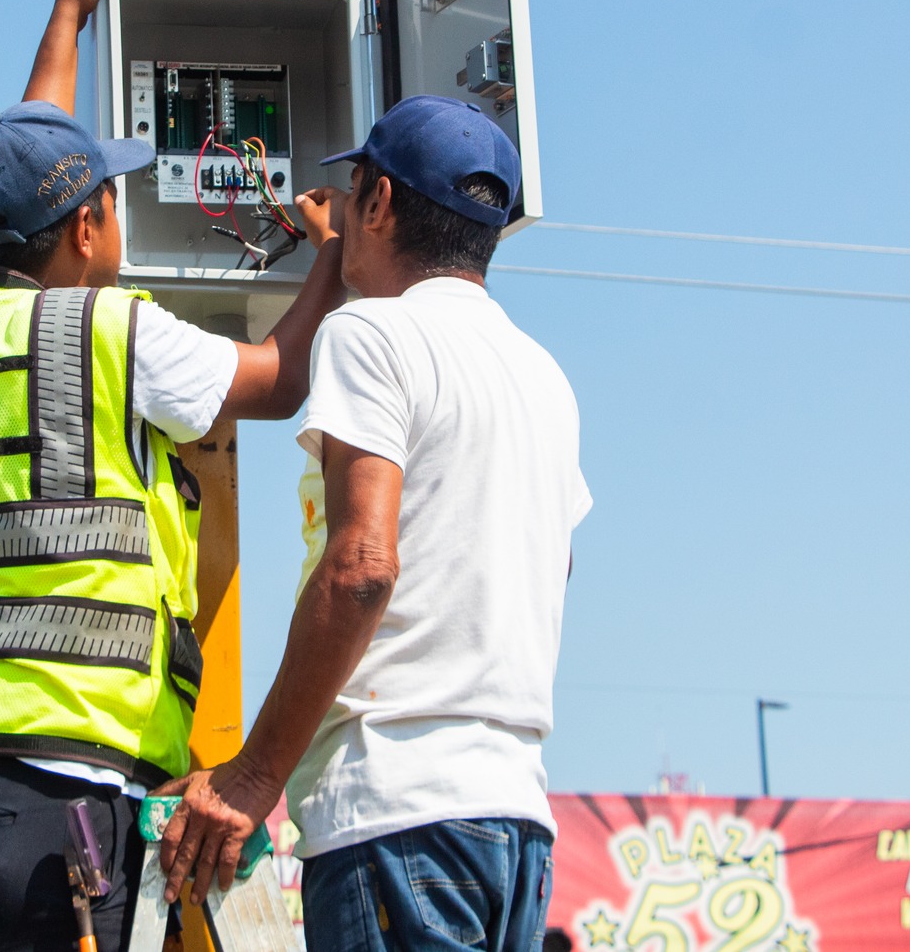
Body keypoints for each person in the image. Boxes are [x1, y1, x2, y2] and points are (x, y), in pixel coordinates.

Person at [0, 0, 349, 952]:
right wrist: (329, 255)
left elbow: (18, 168)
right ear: (87, 231)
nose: (113, 204)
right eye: (103, 193)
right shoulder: (114, 331)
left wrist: (69, 12)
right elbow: (273, 383)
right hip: (63, 800)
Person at [153, 94, 593, 952]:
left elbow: (361, 566)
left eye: (354, 192)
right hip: (516, 822)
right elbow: (550, 568)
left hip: (395, 810)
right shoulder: (544, 376)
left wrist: (252, 776)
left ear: (381, 202)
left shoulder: (370, 334)